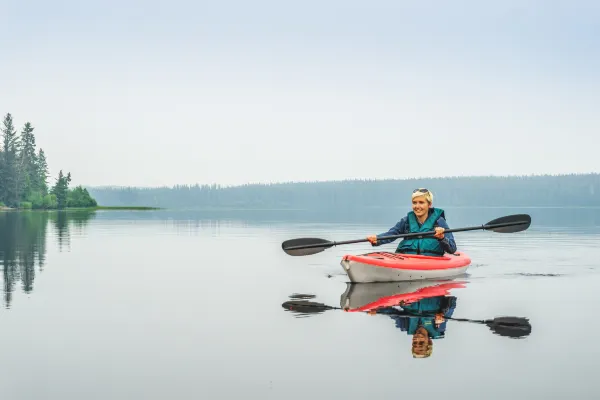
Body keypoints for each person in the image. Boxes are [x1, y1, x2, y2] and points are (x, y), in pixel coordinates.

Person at [366, 188, 457, 256]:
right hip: (407, 259)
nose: (417, 206)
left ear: (429, 204)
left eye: (421, 202)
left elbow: (452, 249)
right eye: (414, 202)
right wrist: (377, 238)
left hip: (430, 261)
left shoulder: (439, 222)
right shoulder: (406, 221)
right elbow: (391, 234)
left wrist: (442, 238)